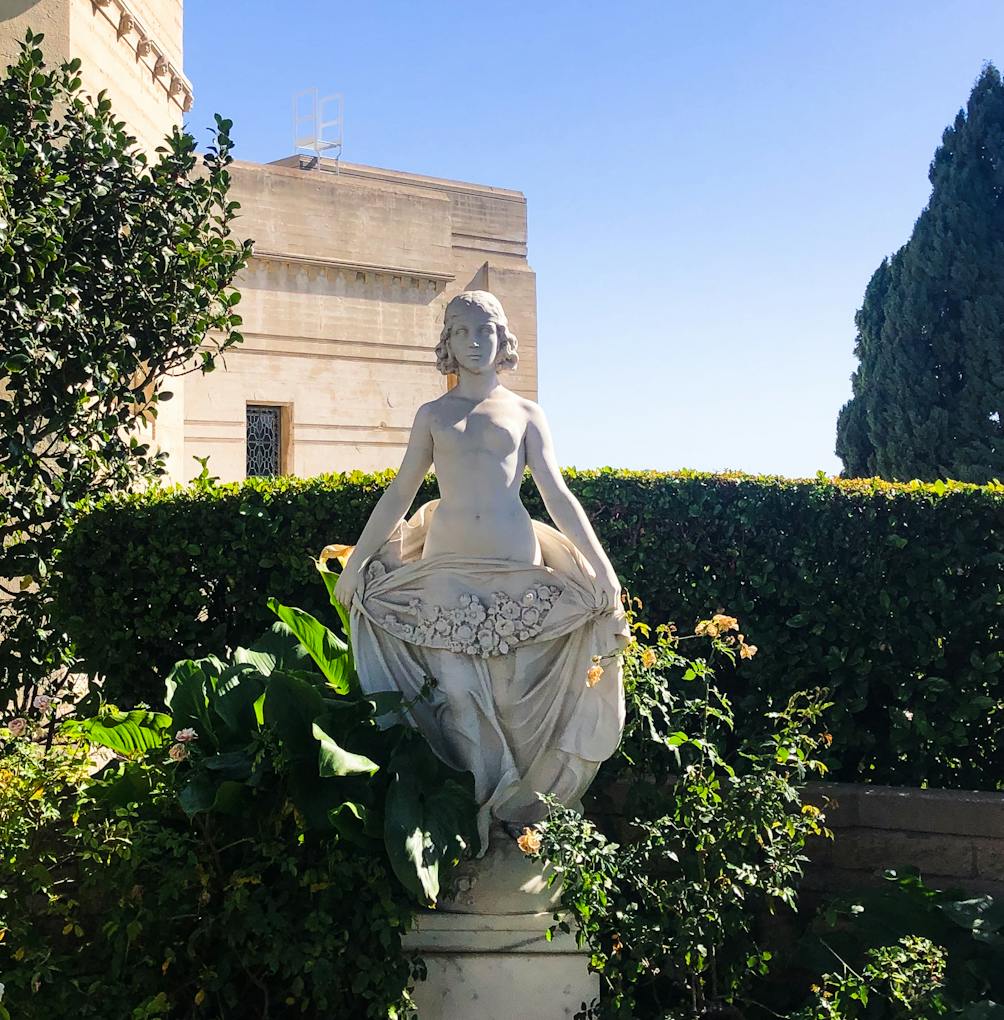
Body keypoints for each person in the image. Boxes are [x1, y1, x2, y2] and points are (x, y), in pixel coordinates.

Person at [333, 290, 627, 847]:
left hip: (517, 567)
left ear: (503, 340)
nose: (474, 342)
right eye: (462, 332)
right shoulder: (433, 415)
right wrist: (359, 561)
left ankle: (514, 820)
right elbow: (399, 492)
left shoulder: (525, 414)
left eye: (484, 331)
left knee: (516, 700)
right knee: (459, 697)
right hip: (445, 571)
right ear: (447, 341)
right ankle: (474, 822)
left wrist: (603, 570)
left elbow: (558, 496)